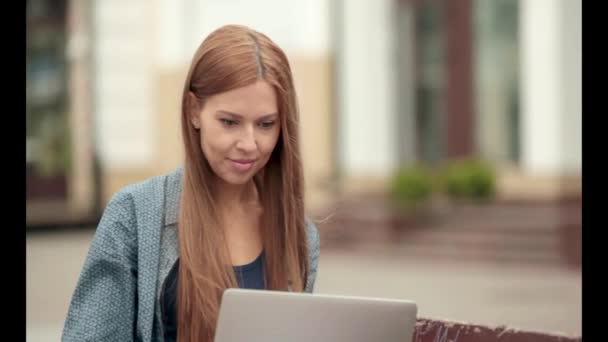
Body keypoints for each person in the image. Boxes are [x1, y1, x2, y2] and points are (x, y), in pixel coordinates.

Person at [62, 24, 320, 342]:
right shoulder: (134, 215)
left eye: (266, 124)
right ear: (194, 111)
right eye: (230, 122)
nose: (249, 143)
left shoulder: (301, 235)